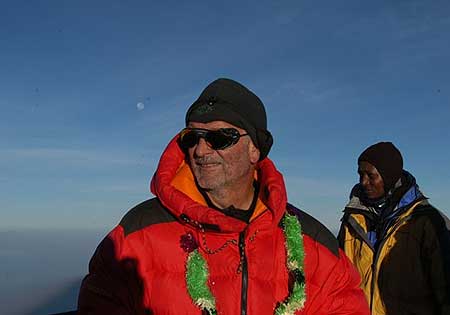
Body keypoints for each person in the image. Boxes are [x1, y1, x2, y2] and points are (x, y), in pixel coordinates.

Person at [78, 78, 369, 315]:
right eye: (192, 138)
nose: (201, 151)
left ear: (255, 150)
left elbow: (345, 306)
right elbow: (101, 302)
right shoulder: (138, 234)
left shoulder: (312, 243)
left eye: (221, 138)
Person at [338, 142, 450, 315]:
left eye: (370, 175)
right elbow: (338, 277)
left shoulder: (427, 223)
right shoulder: (353, 220)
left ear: (388, 176)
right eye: (360, 174)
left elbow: (445, 290)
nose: (363, 182)